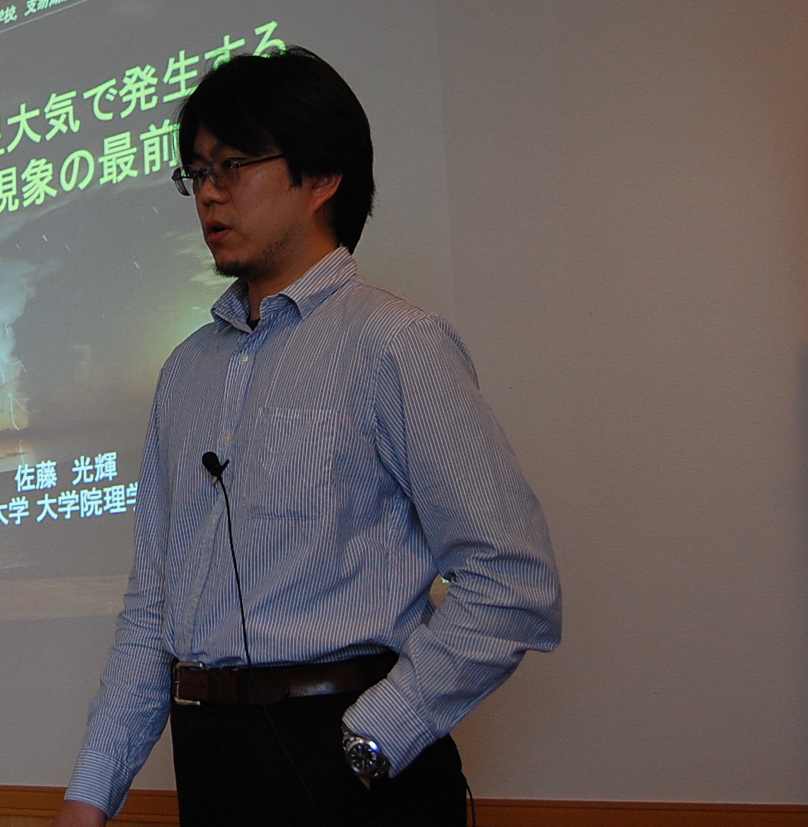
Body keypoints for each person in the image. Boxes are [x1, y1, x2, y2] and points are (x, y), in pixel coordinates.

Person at [50, 47, 561, 826]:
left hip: (350, 759)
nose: (208, 192)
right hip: (209, 759)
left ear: (322, 177)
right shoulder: (184, 373)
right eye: (197, 172)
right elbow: (153, 609)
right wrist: (89, 797)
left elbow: (512, 580)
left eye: (234, 165)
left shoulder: (397, 343)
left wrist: (369, 739)